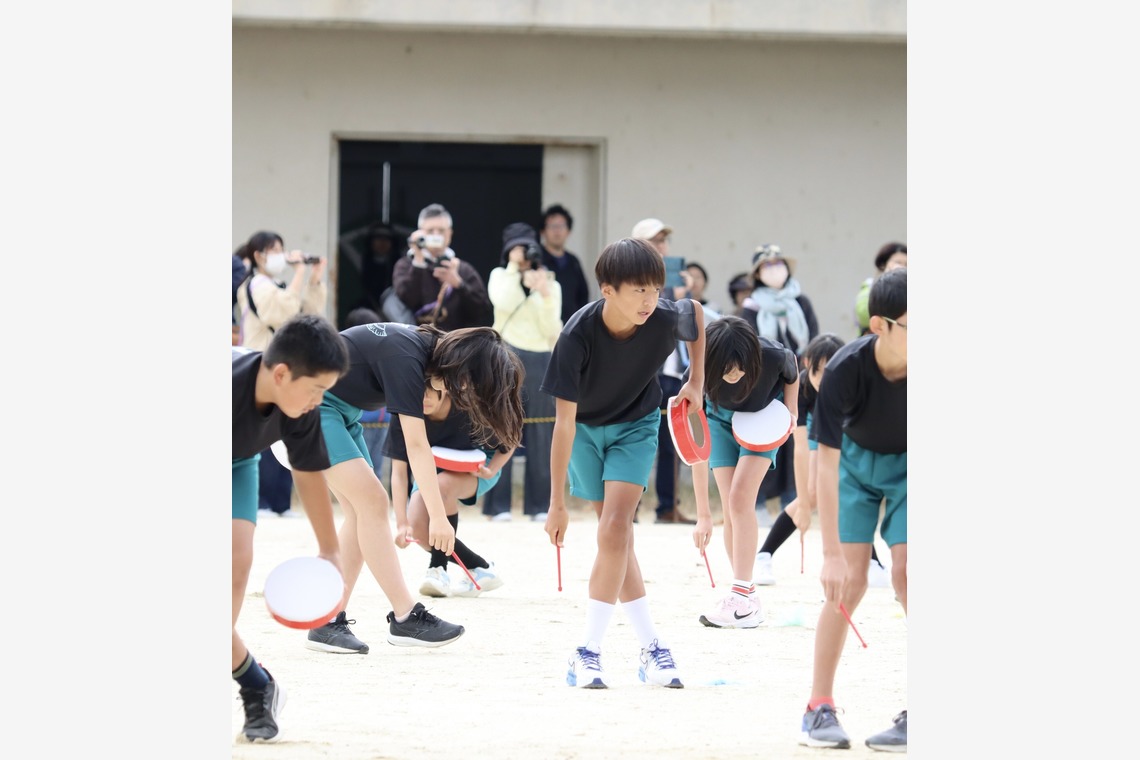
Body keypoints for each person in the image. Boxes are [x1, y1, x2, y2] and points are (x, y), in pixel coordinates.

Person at [542, 237, 705, 690]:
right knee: (617, 538)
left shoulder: (664, 315)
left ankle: (587, 652)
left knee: (616, 529)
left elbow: (696, 314)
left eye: (655, 289)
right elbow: (563, 426)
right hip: (586, 434)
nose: (650, 300)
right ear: (607, 290)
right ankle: (651, 646)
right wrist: (556, 503)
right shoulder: (576, 336)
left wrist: (696, 379)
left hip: (636, 425)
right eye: (638, 290)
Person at [303, 323, 524, 655]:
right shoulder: (407, 356)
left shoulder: (422, 351)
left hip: (342, 411)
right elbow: (416, 446)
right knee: (374, 503)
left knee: (360, 514)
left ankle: (327, 619)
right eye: (469, 383)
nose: (465, 391)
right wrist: (437, 517)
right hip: (313, 405)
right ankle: (405, 616)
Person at [798, 268, 907, 751]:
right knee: (850, 582)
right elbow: (826, 463)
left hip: (913, 467)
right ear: (880, 326)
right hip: (855, 468)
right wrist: (831, 554)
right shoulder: (845, 369)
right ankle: (818, 707)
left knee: (910, 576)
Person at [231, 314, 349, 742]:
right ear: (281, 374)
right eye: (317, 389)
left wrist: (330, 550)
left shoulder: (298, 408)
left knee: (235, 567)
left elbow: (309, 471)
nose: (319, 400)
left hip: (237, 466)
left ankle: (256, 686)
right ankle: (256, 683)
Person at [752, 333, 889, 588]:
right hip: (816, 426)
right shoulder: (802, 389)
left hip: (845, 427)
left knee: (845, 489)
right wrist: (803, 505)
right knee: (815, 493)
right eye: (819, 372)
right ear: (807, 364)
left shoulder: (852, 383)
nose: (825, 380)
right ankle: (764, 555)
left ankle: (871, 562)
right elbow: (800, 449)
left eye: (832, 371)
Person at [689, 316, 799, 628]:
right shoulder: (696, 372)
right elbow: (696, 450)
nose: (735, 373)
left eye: (741, 366)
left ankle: (740, 597)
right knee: (729, 507)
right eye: (727, 368)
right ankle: (746, 595)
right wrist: (702, 515)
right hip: (718, 419)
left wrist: (791, 411)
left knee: (740, 500)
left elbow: (792, 373)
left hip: (764, 417)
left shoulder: (773, 355)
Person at [387, 382, 513, 598]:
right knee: (419, 530)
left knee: (442, 487)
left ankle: (437, 570)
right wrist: (401, 524)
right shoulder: (405, 411)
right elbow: (399, 472)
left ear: (443, 388)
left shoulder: (469, 404)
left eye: (429, 394)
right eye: (418, 394)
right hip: (431, 468)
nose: (423, 400)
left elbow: (511, 438)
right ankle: (480, 568)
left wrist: (491, 470)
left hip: (477, 468)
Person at [235, 230, 329, 516]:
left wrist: (313, 278)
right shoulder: (254, 285)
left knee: (284, 432)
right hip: (258, 367)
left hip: (284, 367)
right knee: (261, 433)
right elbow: (280, 313)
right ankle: (263, 501)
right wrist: (299, 274)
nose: (279, 255)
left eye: (281, 249)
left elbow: (308, 314)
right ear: (258, 255)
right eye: (273, 250)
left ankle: (280, 502)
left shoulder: (278, 284)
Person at [483, 222, 563, 522]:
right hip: (506, 354)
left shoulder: (551, 284)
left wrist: (542, 293)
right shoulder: (499, 276)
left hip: (541, 359)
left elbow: (552, 329)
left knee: (541, 432)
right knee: (502, 427)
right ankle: (498, 505)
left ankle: (539, 505)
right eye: (517, 249)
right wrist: (515, 271)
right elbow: (503, 302)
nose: (524, 255)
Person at [742, 244, 820, 513]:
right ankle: (760, 500)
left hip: (797, 377)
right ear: (757, 274)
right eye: (767, 266)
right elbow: (749, 342)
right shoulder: (751, 306)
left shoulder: (801, 301)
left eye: (779, 264)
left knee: (794, 436)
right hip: (765, 379)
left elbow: (813, 338)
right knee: (763, 437)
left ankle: (792, 498)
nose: (775, 270)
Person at [632, 217, 696, 525]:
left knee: (672, 442)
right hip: (642, 372)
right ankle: (630, 506)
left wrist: (683, 296)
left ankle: (668, 507)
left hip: (673, 370)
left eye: (663, 241)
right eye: (654, 241)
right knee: (637, 440)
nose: (661, 247)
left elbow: (684, 326)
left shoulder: (673, 283)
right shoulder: (630, 278)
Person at [391, 203, 493, 331]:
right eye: (430, 231)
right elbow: (407, 301)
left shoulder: (462, 269)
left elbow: (482, 312)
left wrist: (459, 284)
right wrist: (418, 261)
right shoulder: (405, 265)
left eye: (441, 230)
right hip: (416, 342)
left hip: (454, 344)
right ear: (419, 233)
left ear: (450, 233)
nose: (436, 235)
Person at [344, 307, 389, 484]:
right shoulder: (353, 358)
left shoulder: (379, 353)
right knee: (363, 469)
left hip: (383, 420)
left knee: (376, 470)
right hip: (363, 421)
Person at [539, 204, 592, 326]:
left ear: (568, 231)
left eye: (561, 226)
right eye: (552, 226)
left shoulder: (574, 262)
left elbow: (583, 295)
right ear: (543, 231)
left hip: (570, 326)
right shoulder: (537, 260)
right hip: (543, 326)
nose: (557, 231)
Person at [855, 242, 907, 336]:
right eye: (898, 262)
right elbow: (863, 314)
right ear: (884, 265)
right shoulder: (870, 285)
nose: (902, 267)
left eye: (906, 264)